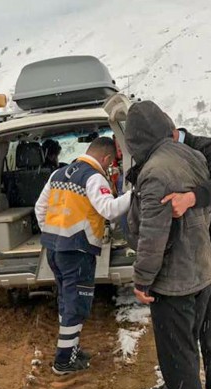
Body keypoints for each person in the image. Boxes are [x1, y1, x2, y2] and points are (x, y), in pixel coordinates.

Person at [125, 101, 211, 389]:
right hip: (200, 266)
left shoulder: (155, 172)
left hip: (175, 279)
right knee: (186, 345)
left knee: (176, 350)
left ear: (135, 139)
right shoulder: (190, 155)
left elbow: (153, 235)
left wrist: (142, 279)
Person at [145, 128, 211, 389]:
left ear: (171, 134)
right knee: (184, 323)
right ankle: (181, 384)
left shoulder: (207, 148)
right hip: (191, 250)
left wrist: (190, 198)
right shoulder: (162, 158)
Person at [35, 137, 131, 375]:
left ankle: (71, 348)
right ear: (106, 159)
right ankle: (63, 361)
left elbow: (40, 208)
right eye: (111, 163)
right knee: (76, 305)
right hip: (78, 251)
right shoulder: (94, 177)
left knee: (66, 300)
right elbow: (109, 209)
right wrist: (135, 194)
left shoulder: (57, 174)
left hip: (54, 249)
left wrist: (52, 234)